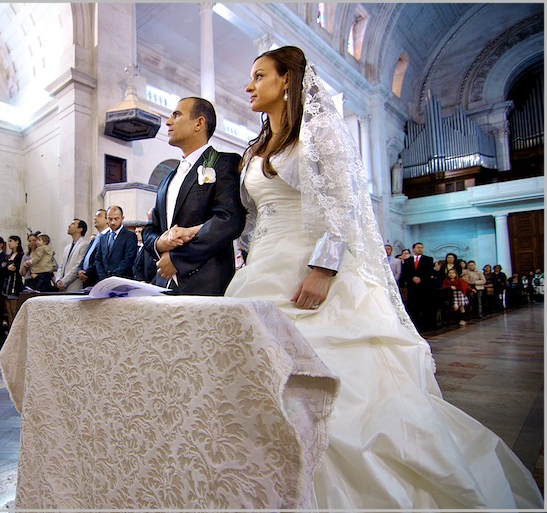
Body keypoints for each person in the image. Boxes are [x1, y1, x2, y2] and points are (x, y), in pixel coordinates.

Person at [220, 46, 540, 509]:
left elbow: (345, 207)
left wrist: (324, 268)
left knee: (336, 390)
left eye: (258, 75)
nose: (248, 85)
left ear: (287, 80)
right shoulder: (258, 146)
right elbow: (254, 219)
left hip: (307, 268)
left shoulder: (319, 131)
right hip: (262, 267)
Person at [141, 96, 246, 295]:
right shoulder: (167, 180)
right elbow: (150, 228)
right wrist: (158, 243)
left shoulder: (224, 163)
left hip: (206, 281)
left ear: (199, 123)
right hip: (164, 283)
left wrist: (179, 259)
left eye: (176, 115)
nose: (168, 122)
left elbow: (228, 220)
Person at [89, 205, 137, 282]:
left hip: (123, 280)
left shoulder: (130, 236)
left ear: (122, 218)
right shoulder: (103, 237)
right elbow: (98, 259)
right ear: (106, 219)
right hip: (104, 281)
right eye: (110, 219)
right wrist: (103, 277)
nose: (113, 222)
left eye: (116, 219)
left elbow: (129, 259)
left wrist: (113, 276)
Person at [400, 242, 436, 330]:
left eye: (421, 247)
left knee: (425, 306)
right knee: (413, 307)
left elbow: (429, 272)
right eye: (418, 247)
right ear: (413, 249)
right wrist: (412, 278)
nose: (420, 249)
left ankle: (426, 325)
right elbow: (405, 273)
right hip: (412, 287)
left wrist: (421, 278)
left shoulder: (428, 259)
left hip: (424, 287)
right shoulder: (408, 261)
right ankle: (415, 325)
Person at [55, 218, 89, 292]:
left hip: (74, 285)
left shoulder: (84, 245)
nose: (69, 226)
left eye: (73, 224)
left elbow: (78, 266)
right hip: (62, 286)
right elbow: (61, 266)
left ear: (80, 229)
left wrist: (64, 281)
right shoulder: (67, 247)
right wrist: (58, 280)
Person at [77, 209, 109, 287]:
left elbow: (100, 259)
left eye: (99, 216)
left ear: (107, 220)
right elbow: (86, 257)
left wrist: (87, 272)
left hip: (96, 278)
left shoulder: (108, 237)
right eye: (95, 216)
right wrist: (80, 270)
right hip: (86, 280)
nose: (95, 218)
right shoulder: (95, 238)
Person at [1, 235, 24, 324]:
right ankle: (10, 329)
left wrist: (7, 267)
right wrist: (6, 267)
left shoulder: (20, 255)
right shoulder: (8, 256)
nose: (9, 243)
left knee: (14, 310)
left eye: (11, 241)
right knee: (8, 311)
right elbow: (4, 269)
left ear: (17, 242)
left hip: (15, 285)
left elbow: (15, 268)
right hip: (7, 285)